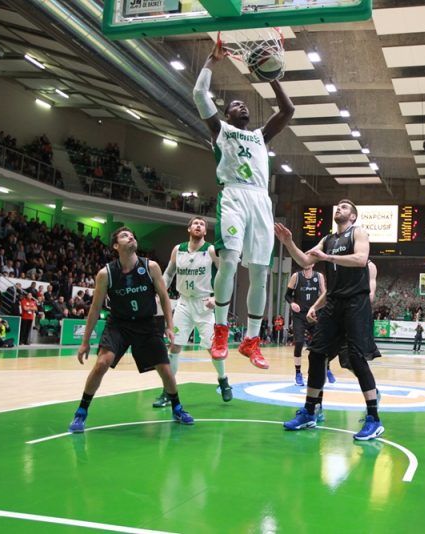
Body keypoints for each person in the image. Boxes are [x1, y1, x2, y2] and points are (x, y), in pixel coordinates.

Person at [192, 34, 294, 370]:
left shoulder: (260, 136)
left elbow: (288, 110)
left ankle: (251, 340)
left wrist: (272, 76)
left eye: (245, 105)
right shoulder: (220, 130)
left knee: (261, 272)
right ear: (226, 112)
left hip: (261, 200)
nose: (243, 106)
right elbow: (198, 94)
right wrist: (212, 60)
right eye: (236, 104)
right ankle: (221, 330)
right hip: (234, 195)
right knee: (230, 261)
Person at [275, 200, 384, 441]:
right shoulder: (327, 239)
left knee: (356, 358)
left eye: (345, 207)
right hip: (334, 304)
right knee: (316, 354)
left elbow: (361, 259)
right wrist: (289, 242)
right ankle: (310, 411)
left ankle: (374, 419)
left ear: (352, 216)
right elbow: (305, 261)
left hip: (356, 303)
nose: (339, 208)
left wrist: (328, 258)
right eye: (338, 206)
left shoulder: (358, 232)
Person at [67, 227, 193, 433]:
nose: (131, 236)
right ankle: (81, 412)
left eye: (132, 234)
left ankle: (177, 408)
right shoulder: (105, 274)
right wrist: (85, 341)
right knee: (102, 363)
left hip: (146, 323)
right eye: (124, 236)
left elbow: (164, 297)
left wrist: (170, 327)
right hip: (119, 324)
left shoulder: (151, 267)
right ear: (116, 246)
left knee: (165, 368)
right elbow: (95, 308)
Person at [153, 216, 232, 408]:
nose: (198, 226)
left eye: (202, 224)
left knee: (213, 349)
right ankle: (168, 391)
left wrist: (217, 298)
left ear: (205, 231)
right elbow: (169, 273)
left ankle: (223, 380)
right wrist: (160, 292)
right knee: (174, 346)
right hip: (184, 304)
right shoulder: (178, 249)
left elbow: (226, 275)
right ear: (189, 229)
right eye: (195, 223)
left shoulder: (211, 250)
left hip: (204, 304)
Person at [285, 265, 327, 386]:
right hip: (299, 315)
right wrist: (292, 303)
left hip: (313, 315)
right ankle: (298, 373)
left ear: (313, 263)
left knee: (320, 343)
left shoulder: (319, 276)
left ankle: (324, 370)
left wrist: (320, 308)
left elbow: (324, 295)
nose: (306, 262)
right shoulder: (296, 276)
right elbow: (287, 295)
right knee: (299, 342)